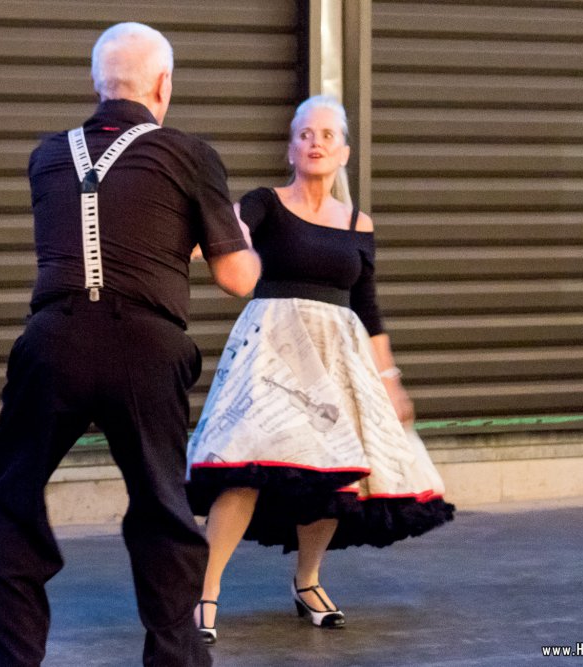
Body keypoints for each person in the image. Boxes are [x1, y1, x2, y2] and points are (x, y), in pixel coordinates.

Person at [0, 22, 261, 666]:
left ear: (96, 84)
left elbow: (96, 226)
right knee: (162, 506)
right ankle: (175, 659)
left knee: (10, 498)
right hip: (145, 345)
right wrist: (232, 229)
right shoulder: (189, 153)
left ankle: (12, 659)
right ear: (164, 84)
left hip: (52, 341)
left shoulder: (47, 155)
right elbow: (237, 277)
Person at [185, 95, 454, 643]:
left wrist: (390, 381)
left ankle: (307, 582)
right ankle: (203, 592)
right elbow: (222, 236)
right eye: (306, 133)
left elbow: (368, 307)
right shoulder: (265, 203)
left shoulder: (358, 223)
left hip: (339, 361)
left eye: (328, 134)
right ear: (291, 147)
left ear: (344, 152)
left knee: (332, 476)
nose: (316, 142)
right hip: (272, 355)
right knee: (244, 466)